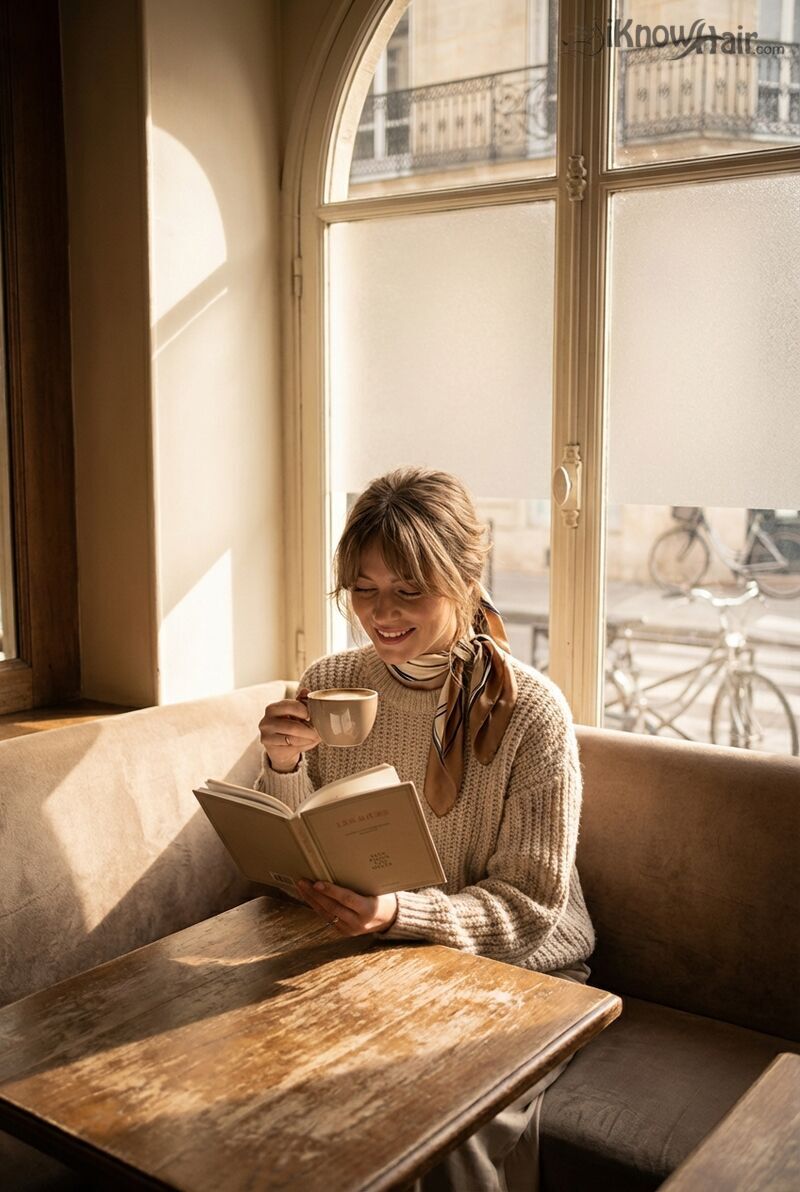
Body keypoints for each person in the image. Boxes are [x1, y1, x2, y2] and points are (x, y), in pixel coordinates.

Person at [256, 467, 595, 1191]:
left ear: (466, 581)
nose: (381, 613)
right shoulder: (331, 684)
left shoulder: (531, 712)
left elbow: (530, 908)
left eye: (409, 590)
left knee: (430, 1126)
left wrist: (398, 914)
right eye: (364, 588)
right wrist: (283, 765)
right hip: (376, 959)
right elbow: (293, 870)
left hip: (520, 972)